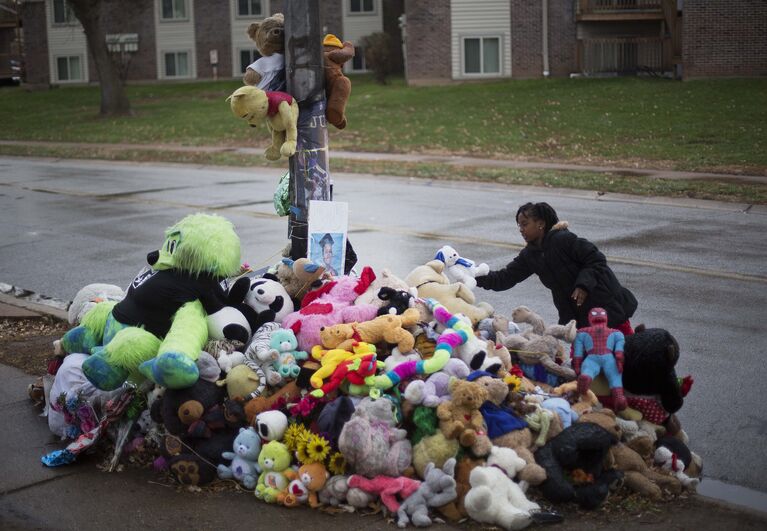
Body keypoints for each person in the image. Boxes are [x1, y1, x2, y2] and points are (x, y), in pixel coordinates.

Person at [475, 202, 637, 334]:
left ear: (541, 224)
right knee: (584, 363)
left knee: (625, 355)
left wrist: (583, 285)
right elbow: (504, 278)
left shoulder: (563, 239)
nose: (521, 229)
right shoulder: (530, 255)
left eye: (525, 224)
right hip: (579, 317)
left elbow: (596, 259)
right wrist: (473, 275)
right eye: (519, 226)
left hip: (606, 306)